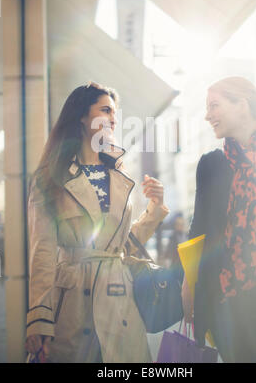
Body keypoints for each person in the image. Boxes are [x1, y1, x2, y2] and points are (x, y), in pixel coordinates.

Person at [25, 82, 169, 363]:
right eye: (105, 110)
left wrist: (155, 208)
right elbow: (42, 253)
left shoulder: (119, 174)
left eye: (115, 112)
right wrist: (39, 319)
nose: (114, 118)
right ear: (81, 115)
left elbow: (121, 244)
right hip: (73, 301)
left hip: (121, 299)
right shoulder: (50, 177)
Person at [182, 76, 256, 363]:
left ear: (242, 105)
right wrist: (188, 281)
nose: (208, 115)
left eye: (214, 106)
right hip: (227, 299)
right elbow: (199, 231)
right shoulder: (211, 164)